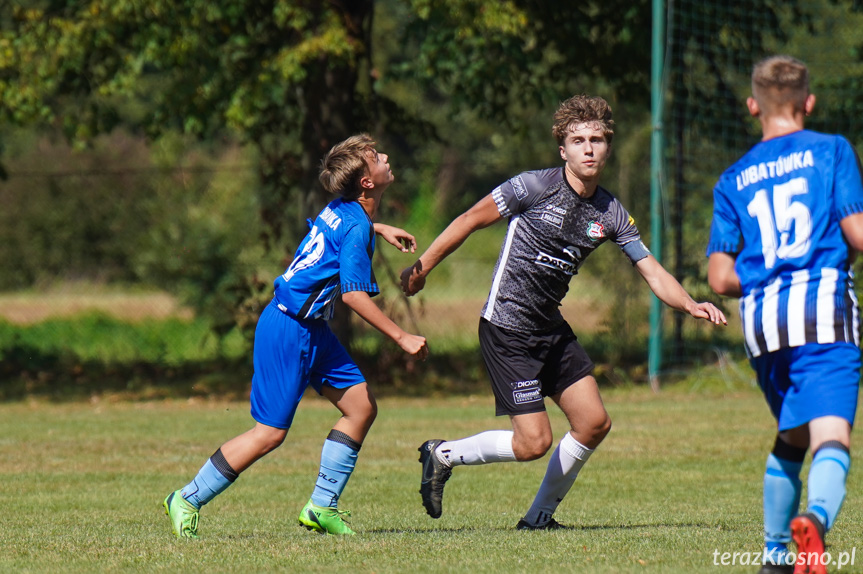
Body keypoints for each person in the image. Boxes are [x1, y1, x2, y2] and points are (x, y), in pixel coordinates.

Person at [400, 94, 727, 530]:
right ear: (563, 149)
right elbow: (468, 220)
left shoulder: (611, 212)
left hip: (549, 329)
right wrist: (422, 269)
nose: (588, 148)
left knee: (593, 423)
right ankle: (443, 454)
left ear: (608, 147)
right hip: (506, 328)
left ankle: (538, 519)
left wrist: (689, 303)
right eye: (578, 140)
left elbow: (651, 271)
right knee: (534, 442)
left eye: (596, 139)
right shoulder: (532, 187)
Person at [163, 133, 429, 538]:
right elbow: (354, 296)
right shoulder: (355, 224)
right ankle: (186, 497)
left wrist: (379, 227)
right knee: (269, 434)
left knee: (361, 407)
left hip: (311, 329)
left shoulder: (345, 210)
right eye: (377, 157)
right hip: (288, 330)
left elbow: (348, 227)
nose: (386, 157)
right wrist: (402, 337)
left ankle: (322, 506)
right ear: (367, 183)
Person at [707, 55, 863, 574]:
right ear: (808, 103)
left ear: (753, 106)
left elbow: (719, 278)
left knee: (792, 436)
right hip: (821, 313)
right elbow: (856, 233)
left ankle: (774, 556)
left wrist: (763, 271)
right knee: (832, 436)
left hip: (762, 323)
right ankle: (814, 521)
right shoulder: (832, 151)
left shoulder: (733, 178)